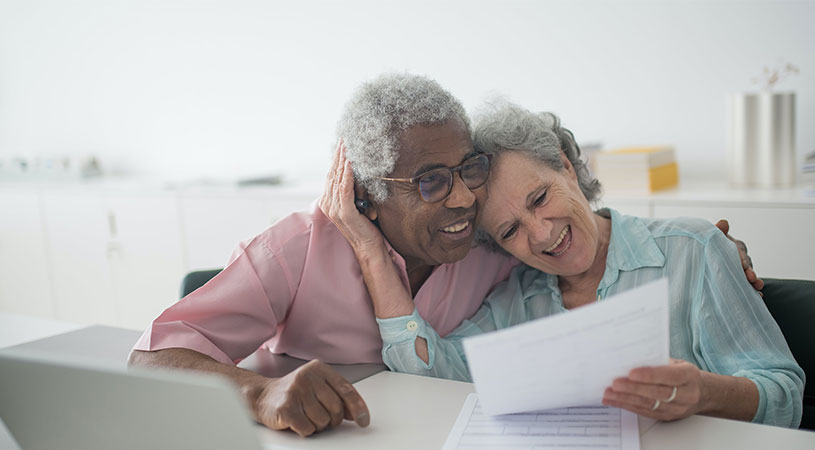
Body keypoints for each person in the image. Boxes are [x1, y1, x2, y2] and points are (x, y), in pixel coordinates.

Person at [129, 73, 761, 437]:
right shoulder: (298, 249)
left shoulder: (495, 248)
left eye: (469, 170)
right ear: (369, 197)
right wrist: (258, 393)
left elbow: (581, 239)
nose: (463, 198)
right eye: (431, 181)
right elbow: (150, 359)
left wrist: (712, 246)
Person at [321, 101, 804, 428]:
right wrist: (370, 251)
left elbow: (785, 395)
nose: (542, 233)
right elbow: (429, 377)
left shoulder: (692, 250)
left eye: (539, 197)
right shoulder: (517, 299)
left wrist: (704, 393)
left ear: (566, 167)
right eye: (509, 231)